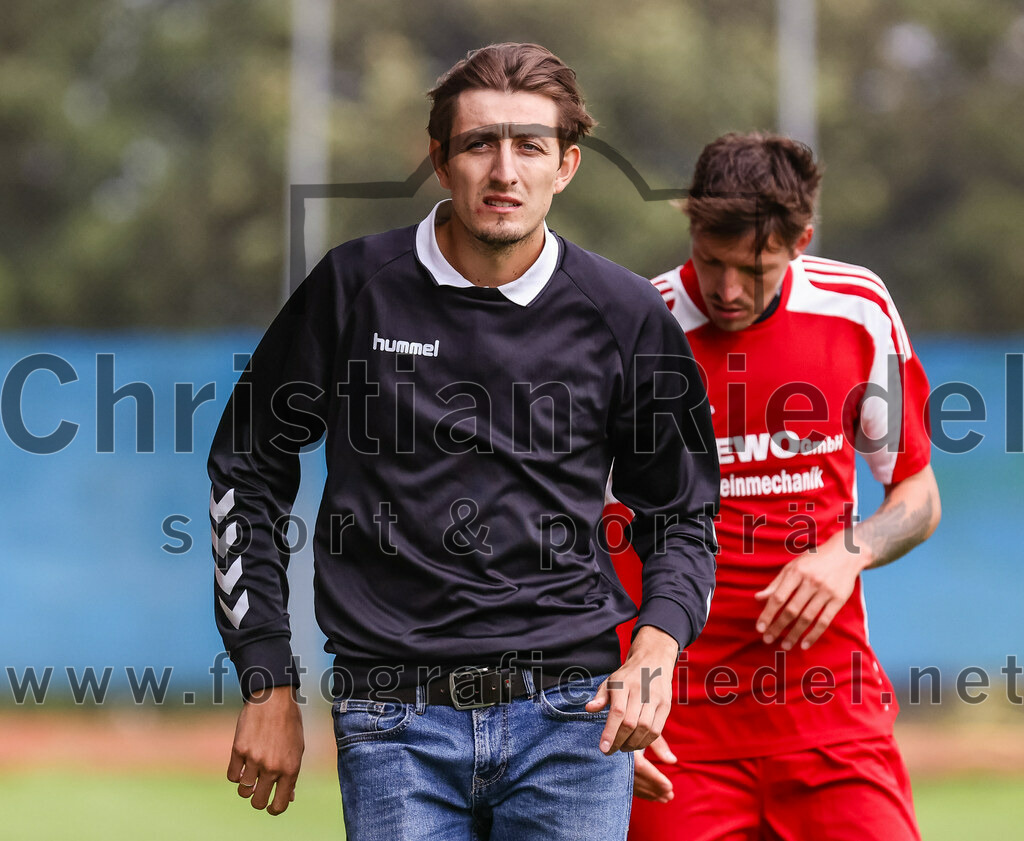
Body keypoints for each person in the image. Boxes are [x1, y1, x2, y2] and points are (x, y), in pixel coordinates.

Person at [207, 43, 718, 839]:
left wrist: (656, 645)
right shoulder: (353, 290)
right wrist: (268, 678)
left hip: (571, 722)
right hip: (392, 721)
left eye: (530, 146)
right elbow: (248, 467)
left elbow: (682, 510)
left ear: (567, 165)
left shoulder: (625, 315)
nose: (504, 170)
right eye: (480, 144)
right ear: (441, 162)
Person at [609, 132, 941, 841]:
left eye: (753, 269)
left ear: (801, 241)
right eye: (710, 261)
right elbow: (596, 531)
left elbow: (917, 494)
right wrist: (618, 683)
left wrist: (848, 550)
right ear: (690, 230)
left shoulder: (858, 309)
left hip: (831, 715)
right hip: (678, 726)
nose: (727, 290)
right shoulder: (638, 327)